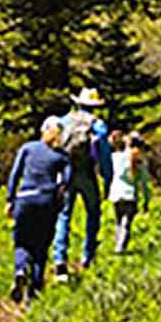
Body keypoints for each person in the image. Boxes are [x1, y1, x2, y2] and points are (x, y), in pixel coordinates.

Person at [52, 85, 113, 280]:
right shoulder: (97, 124)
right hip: (86, 172)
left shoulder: (63, 121)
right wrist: (107, 176)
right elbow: (104, 152)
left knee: (64, 215)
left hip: (66, 170)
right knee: (93, 212)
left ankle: (59, 259)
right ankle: (88, 256)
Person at [6, 116, 69, 303]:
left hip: (25, 199)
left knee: (22, 241)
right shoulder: (61, 157)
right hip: (46, 201)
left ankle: (20, 270)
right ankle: (33, 292)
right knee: (41, 247)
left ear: (43, 130)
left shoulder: (27, 148)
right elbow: (65, 182)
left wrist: (10, 199)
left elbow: (14, 174)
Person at [109, 130, 152, 255]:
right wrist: (146, 199)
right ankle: (121, 246)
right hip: (130, 194)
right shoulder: (139, 161)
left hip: (116, 192)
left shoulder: (115, 157)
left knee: (118, 221)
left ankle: (117, 245)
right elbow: (144, 182)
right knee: (126, 222)